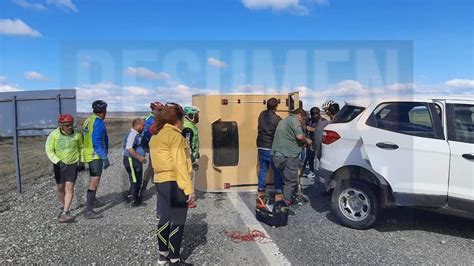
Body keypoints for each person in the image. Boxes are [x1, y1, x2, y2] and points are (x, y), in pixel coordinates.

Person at [149, 103, 194, 265]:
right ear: (179, 119)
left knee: (165, 218)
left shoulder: (156, 135)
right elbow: (180, 165)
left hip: (160, 182)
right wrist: (189, 189)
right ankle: (174, 259)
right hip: (174, 183)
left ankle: (163, 256)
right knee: (178, 220)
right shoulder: (175, 137)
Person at [45, 114, 84, 223]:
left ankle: (65, 213)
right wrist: (58, 161)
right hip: (59, 164)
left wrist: (81, 161)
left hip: (72, 164)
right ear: (61, 125)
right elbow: (49, 150)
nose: (70, 127)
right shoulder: (54, 135)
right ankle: (63, 206)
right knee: (60, 188)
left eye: (71, 125)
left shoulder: (77, 135)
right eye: (67, 125)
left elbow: (81, 148)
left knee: (69, 188)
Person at [271, 108, 312, 208]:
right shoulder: (294, 120)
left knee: (285, 178)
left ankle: (289, 197)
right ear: (299, 115)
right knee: (290, 181)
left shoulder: (282, 121)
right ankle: (285, 204)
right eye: (303, 119)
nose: (303, 121)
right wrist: (308, 141)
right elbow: (299, 137)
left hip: (276, 155)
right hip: (289, 155)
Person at [82, 100, 109, 219]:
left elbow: (84, 138)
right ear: (103, 112)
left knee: (93, 179)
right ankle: (89, 210)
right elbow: (97, 142)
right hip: (95, 155)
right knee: (95, 181)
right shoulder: (98, 123)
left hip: (88, 154)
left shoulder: (88, 120)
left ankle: (94, 201)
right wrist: (104, 157)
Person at [256, 98, 283, 201]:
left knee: (263, 169)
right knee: (277, 170)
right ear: (276, 106)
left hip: (261, 145)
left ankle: (261, 191)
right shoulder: (277, 119)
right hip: (271, 147)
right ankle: (278, 193)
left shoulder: (261, 114)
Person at [141, 101, 164, 198]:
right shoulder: (150, 120)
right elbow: (145, 135)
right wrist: (146, 147)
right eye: (159, 110)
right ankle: (143, 188)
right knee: (151, 166)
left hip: (159, 146)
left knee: (156, 165)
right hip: (153, 146)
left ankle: (156, 183)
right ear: (154, 110)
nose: (161, 112)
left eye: (162, 110)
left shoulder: (159, 119)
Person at [123, 118, 147, 206]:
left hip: (136, 160)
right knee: (134, 179)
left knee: (137, 179)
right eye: (142, 125)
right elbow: (129, 148)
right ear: (137, 125)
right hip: (131, 160)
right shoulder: (132, 134)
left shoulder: (137, 134)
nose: (144, 127)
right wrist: (139, 157)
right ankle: (134, 200)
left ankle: (131, 196)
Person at [301, 107, 326, 178]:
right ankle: (312, 171)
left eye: (314, 114)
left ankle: (322, 172)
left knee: (320, 158)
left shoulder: (323, 121)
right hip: (311, 142)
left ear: (318, 114)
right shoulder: (310, 121)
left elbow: (322, 130)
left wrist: (312, 129)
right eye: (311, 114)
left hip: (319, 142)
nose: (312, 116)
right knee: (310, 158)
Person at [182, 106, 200, 172]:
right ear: (190, 116)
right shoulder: (187, 128)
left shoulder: (192, 126)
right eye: (196, 115)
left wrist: (197, 154)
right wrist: (192, 161)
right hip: (188, 160)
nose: (198, 117)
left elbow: (194, 142)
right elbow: (187, 145)